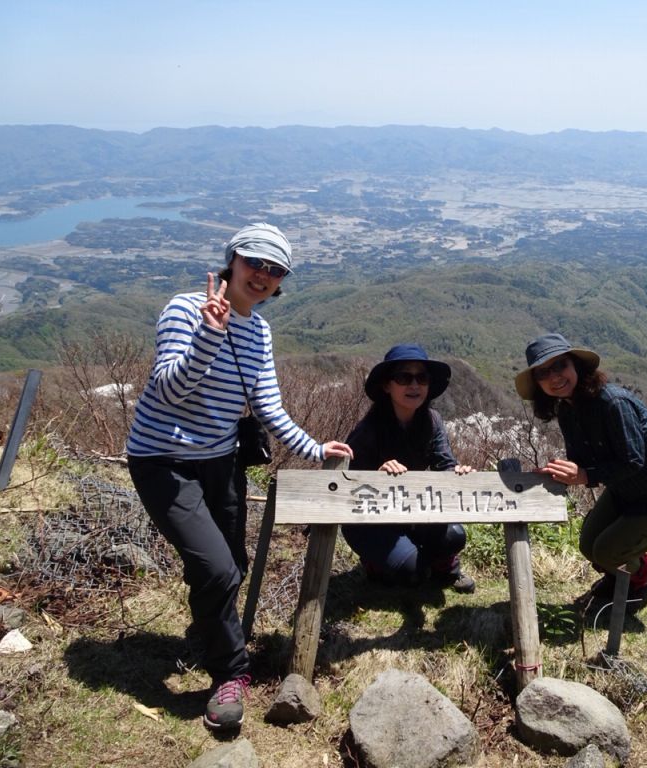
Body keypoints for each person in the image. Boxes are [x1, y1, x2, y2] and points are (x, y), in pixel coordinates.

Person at [126, 223, 353, 731]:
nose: (264, 275)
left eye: (275, 271)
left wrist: (315, 448)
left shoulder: (260, 331)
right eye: (256, 263)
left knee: (232, 562)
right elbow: (168, 391)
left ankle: (208, 629)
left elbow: (268, 406)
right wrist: (210, 334)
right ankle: (230, 672)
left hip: (220, 460)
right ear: (232, 261)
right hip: (162, 460)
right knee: (217, 569)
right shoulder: (186, 309)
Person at [515, 333, 647, 612]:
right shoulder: (567, 411)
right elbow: (581, 462)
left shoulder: (613, 403)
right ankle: (618, 574)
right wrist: (560, 472)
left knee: (608, 552)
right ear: (538, 383)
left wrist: (585, 476)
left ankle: (641, 576)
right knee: (589, 545)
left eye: (560, 366)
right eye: (543, 372)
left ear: (576, 366)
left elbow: (633, 460)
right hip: (625, 487)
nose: (554, 377)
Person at [341, 344, 476, 594]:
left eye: (421, 378)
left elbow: (444, 462)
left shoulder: (432, 421)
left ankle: (446, 569)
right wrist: (377, 476)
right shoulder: (368, 431)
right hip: (369, 521)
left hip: (407, 509)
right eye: (404, 377)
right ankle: (376, 565)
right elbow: (345, 486)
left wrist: (458, 474)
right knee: (413, 573)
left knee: (454, 535)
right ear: (387, 385)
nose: (414, 385)